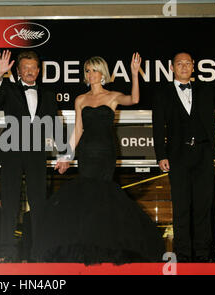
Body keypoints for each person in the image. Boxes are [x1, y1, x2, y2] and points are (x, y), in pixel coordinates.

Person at [36, 53, 165, 264]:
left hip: (106, 151)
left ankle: (106, 246)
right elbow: (78, 129)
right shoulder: (80, 99)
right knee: (87, 198)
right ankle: (87, 247)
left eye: (95, 70)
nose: (91, 74)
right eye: (87, 70)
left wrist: (134, 75)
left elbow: (134, 99)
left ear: (102, 73)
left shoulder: (112, 96)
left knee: (104, 196)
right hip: (87, 152)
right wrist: (66, 156)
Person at [152, 29, 215, 263]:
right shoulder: (162, 94)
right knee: (182, 208)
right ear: (172, 68)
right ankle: (182, 256)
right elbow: (157, 125)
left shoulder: (205, 89)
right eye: (179, 63)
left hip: (203, 153)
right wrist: (160, 154)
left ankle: (203, 257)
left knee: (203, 207)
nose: (184, 66)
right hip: (178, 155)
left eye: (188, 63)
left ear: (193, 67)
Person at [0, 50, 64, 262]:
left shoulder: (49, 96)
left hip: (36, 153)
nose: (30, 71)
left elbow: (55, 127)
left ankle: (41, 252)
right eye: (26, 68)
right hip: (12, 152)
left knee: (39, 203)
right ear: (19, 71)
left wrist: (65, 153)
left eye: (33, 68)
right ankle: (7, 253)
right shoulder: (9, 89)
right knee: (10, 204)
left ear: (39, 71)